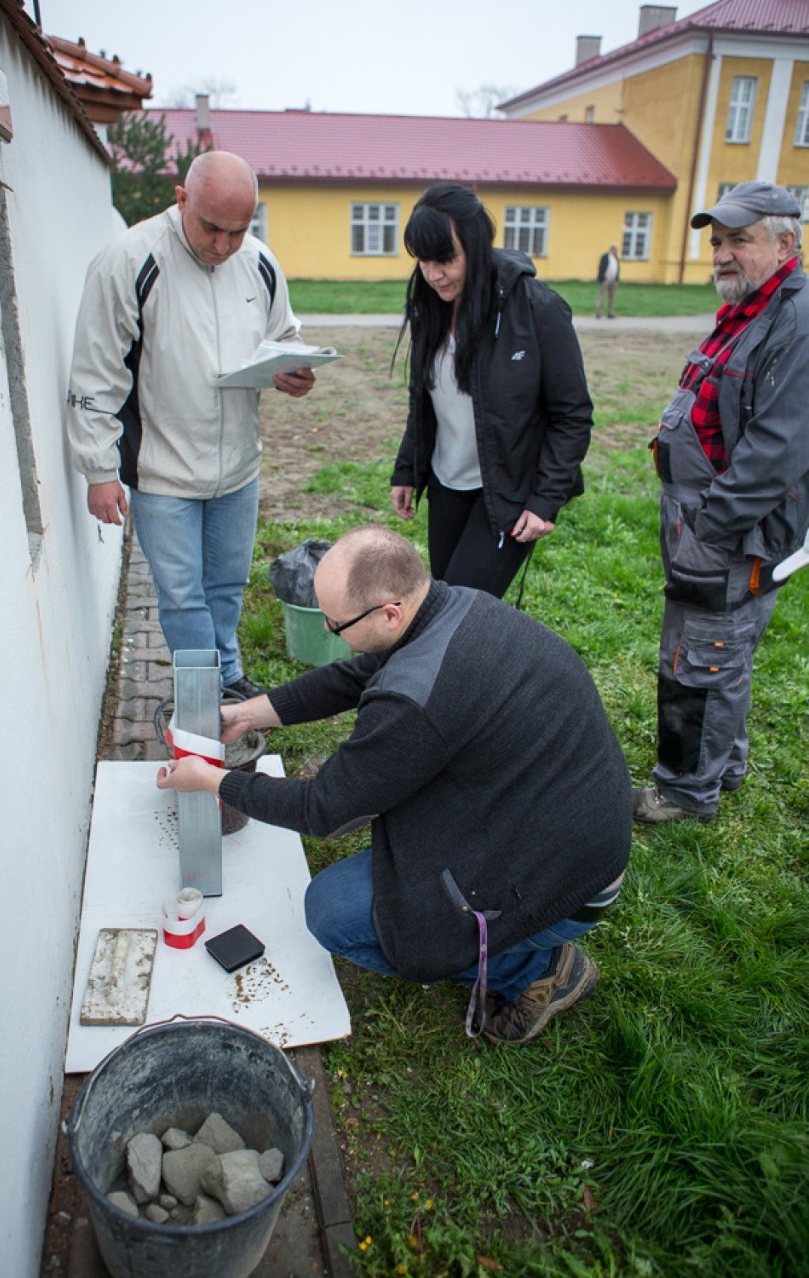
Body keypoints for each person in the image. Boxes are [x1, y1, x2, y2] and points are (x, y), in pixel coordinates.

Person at [157, 526, 631, 1046]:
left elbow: (324, 811)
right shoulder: (452, 606)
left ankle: (541, 968)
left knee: (332, 913)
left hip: (567, 882)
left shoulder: (415, 703)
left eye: (337, 625)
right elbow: (356, 676)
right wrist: (250, 714)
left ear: (390, 612)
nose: (334, 635)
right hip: (552, 817)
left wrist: (209, 779)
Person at [66, 151, 315, 699]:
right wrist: (99, 469)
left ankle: (225, 677)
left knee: (226, 586)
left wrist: (292, 369)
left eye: (238, 230)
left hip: (238, 467)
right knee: (181, 595)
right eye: (211, 228)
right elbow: (96, 374)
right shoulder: (128, 260)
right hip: (163, 470)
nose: (224, 245)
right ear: (182, 199)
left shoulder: (259, 261)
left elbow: (284, 335)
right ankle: (202, 697)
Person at [634, 181, 809, 824]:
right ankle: (722, 765)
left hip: (729, 531)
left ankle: (684, 792)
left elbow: (776, 451)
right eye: (718, 241)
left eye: (741, 239)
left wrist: (709, 526)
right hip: (704, 519)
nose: (723, 253)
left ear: (786, 244)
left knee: (700, 657)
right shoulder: (750, 309)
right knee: (721, 650)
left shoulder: (797, 322)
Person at [390, 183, 593, 601]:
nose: (432, 274)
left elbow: (572, 414)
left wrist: (545, 500)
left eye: (444, 259)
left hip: (507, 492)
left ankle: (495, 667)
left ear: (477, 246)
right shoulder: (429, 305)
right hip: (448, 484)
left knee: (461, 610)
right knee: (445, 603)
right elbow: (424, 399)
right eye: (423, 261)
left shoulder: (537, 309)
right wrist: (408, 469)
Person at [596, 244, 620, 319]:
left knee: (611, 297)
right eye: (615, 249)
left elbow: (617, 268)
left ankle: (610, 312)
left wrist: (617, 279)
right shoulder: (605, 257)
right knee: (602, 296)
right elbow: (601, 267)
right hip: (605, 279)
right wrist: (601, 278)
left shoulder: (616, 258)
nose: (616, 251)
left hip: (613, 280)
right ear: (611, 249)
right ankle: (599, 313)